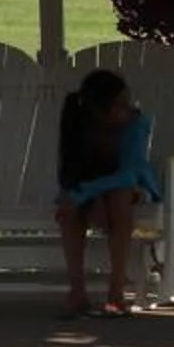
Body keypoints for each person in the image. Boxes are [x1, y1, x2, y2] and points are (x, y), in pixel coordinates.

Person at [53, 69, 160, 318]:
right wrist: (81, 198)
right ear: (98, 111)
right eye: (120, 105)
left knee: (120, 198)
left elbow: (128, 174)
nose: (129, 109)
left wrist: (84, 194)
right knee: (69, 214)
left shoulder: (135, 124)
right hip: (90, 186)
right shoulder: (78, 124)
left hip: (131, 186)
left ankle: (116, 292)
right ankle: (77, 292)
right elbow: (70, 171)